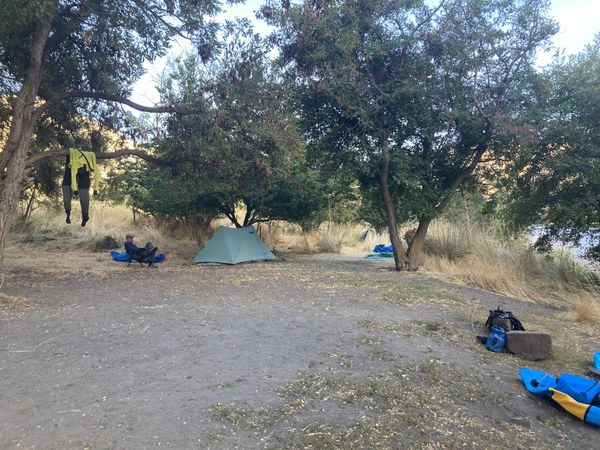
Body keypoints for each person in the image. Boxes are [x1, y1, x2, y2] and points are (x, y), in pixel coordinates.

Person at [62, 149, 100, 227]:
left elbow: (73, 175)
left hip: (72, 166)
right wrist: (95, 189)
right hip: (82, 168)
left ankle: (69, 214)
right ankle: (83, 215)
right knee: (83, 192)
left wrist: (75, 190)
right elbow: (96, 175)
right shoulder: (90, 159)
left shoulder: (75, 161)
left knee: (67, 189)